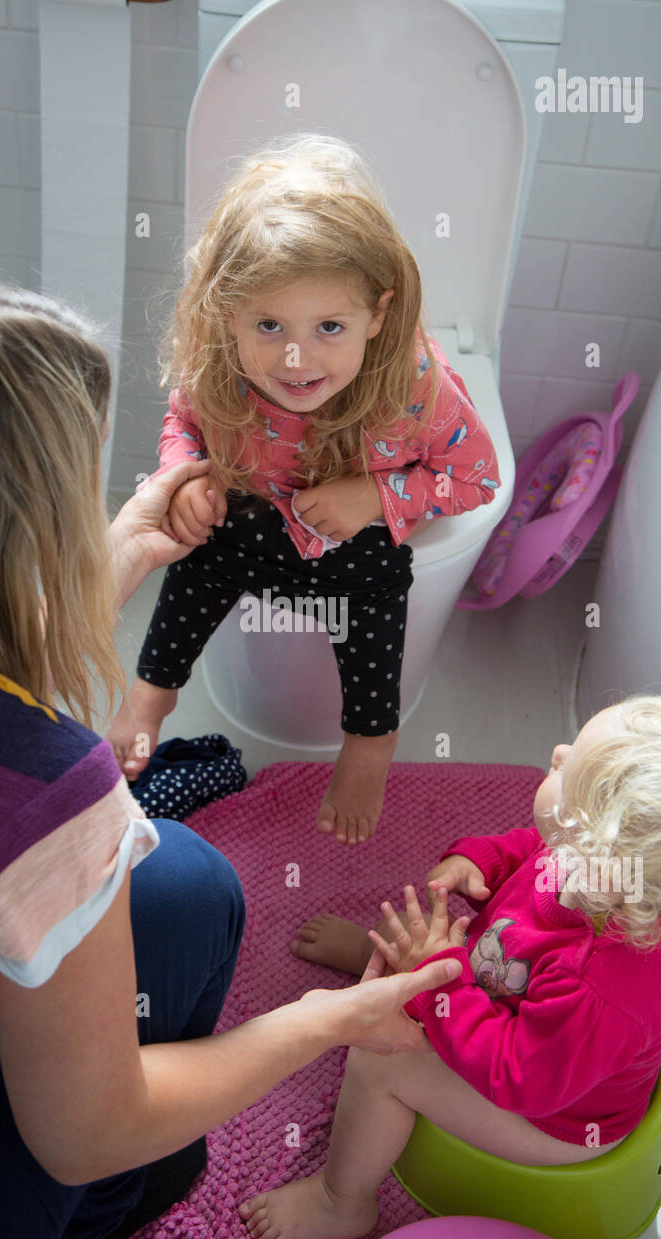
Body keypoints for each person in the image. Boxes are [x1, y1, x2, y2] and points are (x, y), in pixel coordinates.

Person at [0, 272, 460, 1239]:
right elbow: (85, 1131)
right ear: (36, 519)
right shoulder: (46, 800)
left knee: (176, 879)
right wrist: (327, 1019)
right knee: (179, 899)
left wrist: (122, 548)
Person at [106, 133, 500, 846]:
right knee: (198, 548)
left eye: (329, 326)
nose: (296, 357)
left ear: (377, 316)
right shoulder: (221, 366)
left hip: (352, 538)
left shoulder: (411, 387)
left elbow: (477, 476)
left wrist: (375, 496)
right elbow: (183, 422)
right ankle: (152, 692)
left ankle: (370, 741)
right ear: (227, 312)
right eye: (269, 324)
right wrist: (182, 474)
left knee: (379, 583)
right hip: (257, 517)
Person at [241, 694, 661, 1239]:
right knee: (422, 948)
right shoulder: (602, 872)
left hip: (554, 1115)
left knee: (379, 1064)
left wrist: (441, 981)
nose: (558, 751)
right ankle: (409, 971)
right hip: (515, 1005)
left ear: (597, 847)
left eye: (565, 769)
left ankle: (341, 1201)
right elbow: (530, 853)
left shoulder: (599, 987)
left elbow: (518, 1078)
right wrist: (482, 861)